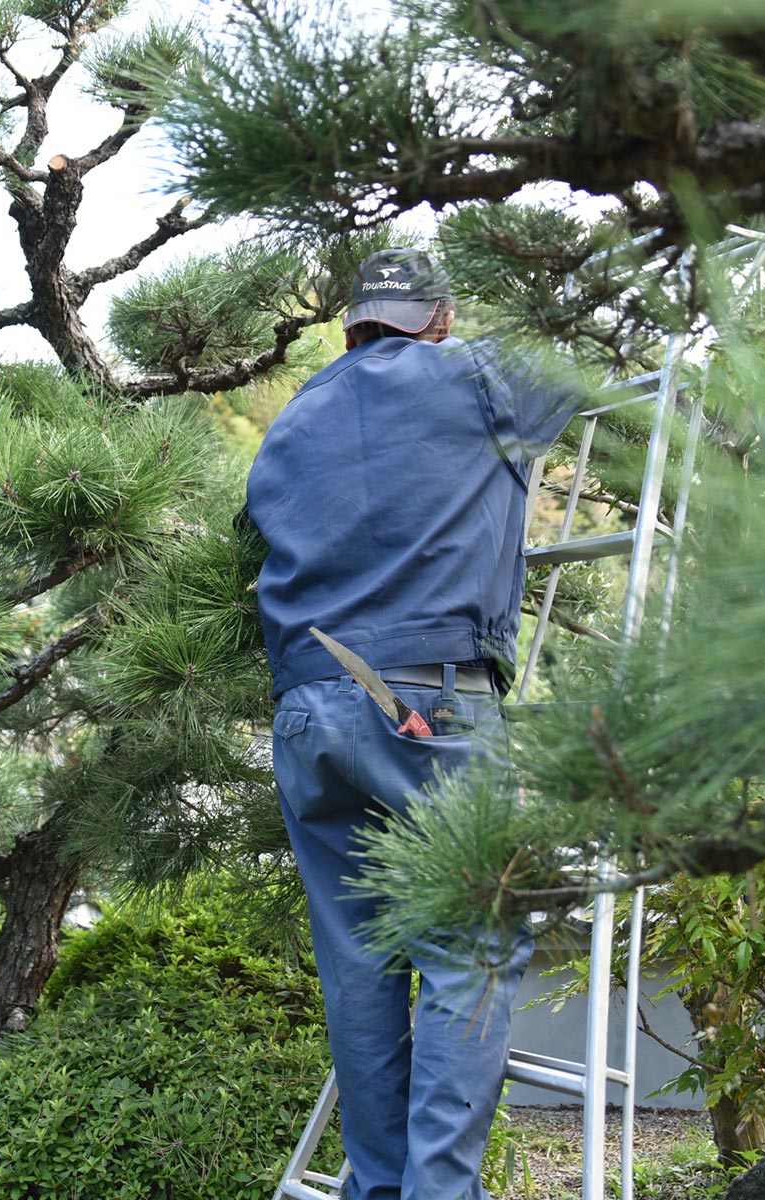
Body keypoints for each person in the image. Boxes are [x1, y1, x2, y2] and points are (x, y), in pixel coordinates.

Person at [244, 249, 582, 1200]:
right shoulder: (472, 373)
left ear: (350, 326)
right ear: (436, 320)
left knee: (358, 962)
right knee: (469, 945)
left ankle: (381, 1191)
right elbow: (593, 337)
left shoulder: (293, 418)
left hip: (309, 708)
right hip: (420, 699)